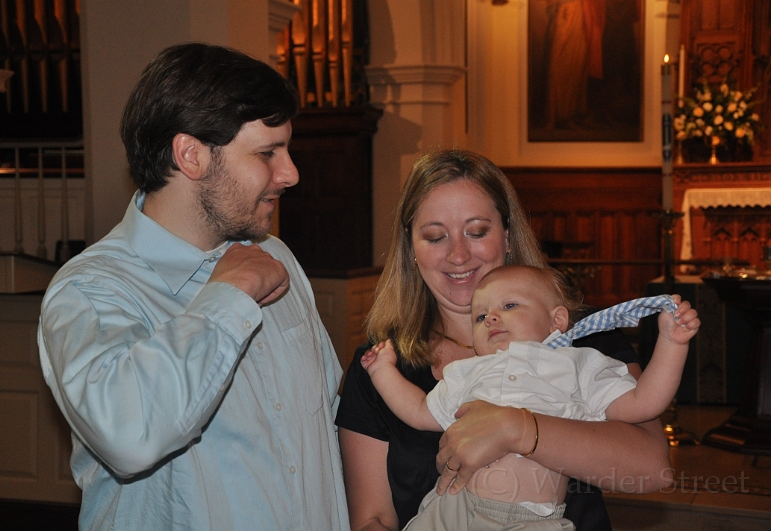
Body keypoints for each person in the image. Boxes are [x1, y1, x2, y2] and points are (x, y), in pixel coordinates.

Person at [37, 43, 349, 530]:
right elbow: (129, 435)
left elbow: (327, 418)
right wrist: (229, 297)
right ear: (191, 155)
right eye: (267, 153)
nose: (290, 174)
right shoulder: (91, 290)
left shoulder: (276, 255)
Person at [335, 149, 673, 531]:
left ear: (508, 236)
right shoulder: (380, 365)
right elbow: (373, 519)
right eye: (435, 236)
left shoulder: (579, 336)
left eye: (477, 231)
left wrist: (517, 429)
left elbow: (652, 468)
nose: (458, 255)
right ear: (411, 249)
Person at [360, 265, 699, 530]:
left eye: (509, 305)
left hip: (532, 518)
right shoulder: (469, 371)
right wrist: (382, 371)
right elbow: (420, 411)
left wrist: (671, 344)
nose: (491, 318)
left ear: (557, 320)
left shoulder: (578, 365)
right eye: (480, 316)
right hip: (455, 508)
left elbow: (643, 402)